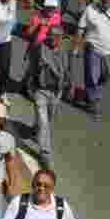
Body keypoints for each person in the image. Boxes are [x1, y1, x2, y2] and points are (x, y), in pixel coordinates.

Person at [72, 0, 110, 120]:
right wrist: (77, 46)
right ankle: (94, 104)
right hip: (93, 48)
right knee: (92, 76)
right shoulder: (90, 9)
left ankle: (89, 94)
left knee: (106, 76)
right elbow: (80, 28)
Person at [28, 26, 68, 168]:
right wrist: (30, 84)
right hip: (41, 90)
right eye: (51, 35)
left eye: (57, 36)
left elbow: (67, 70)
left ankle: (35, 129)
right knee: (44, 123)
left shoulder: (64, 52)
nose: (53, 38)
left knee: (48, 120)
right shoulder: (40, 48)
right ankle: (46, 154)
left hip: (56, 92)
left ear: (61, 38)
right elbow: (32, 65)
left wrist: (69, 86)